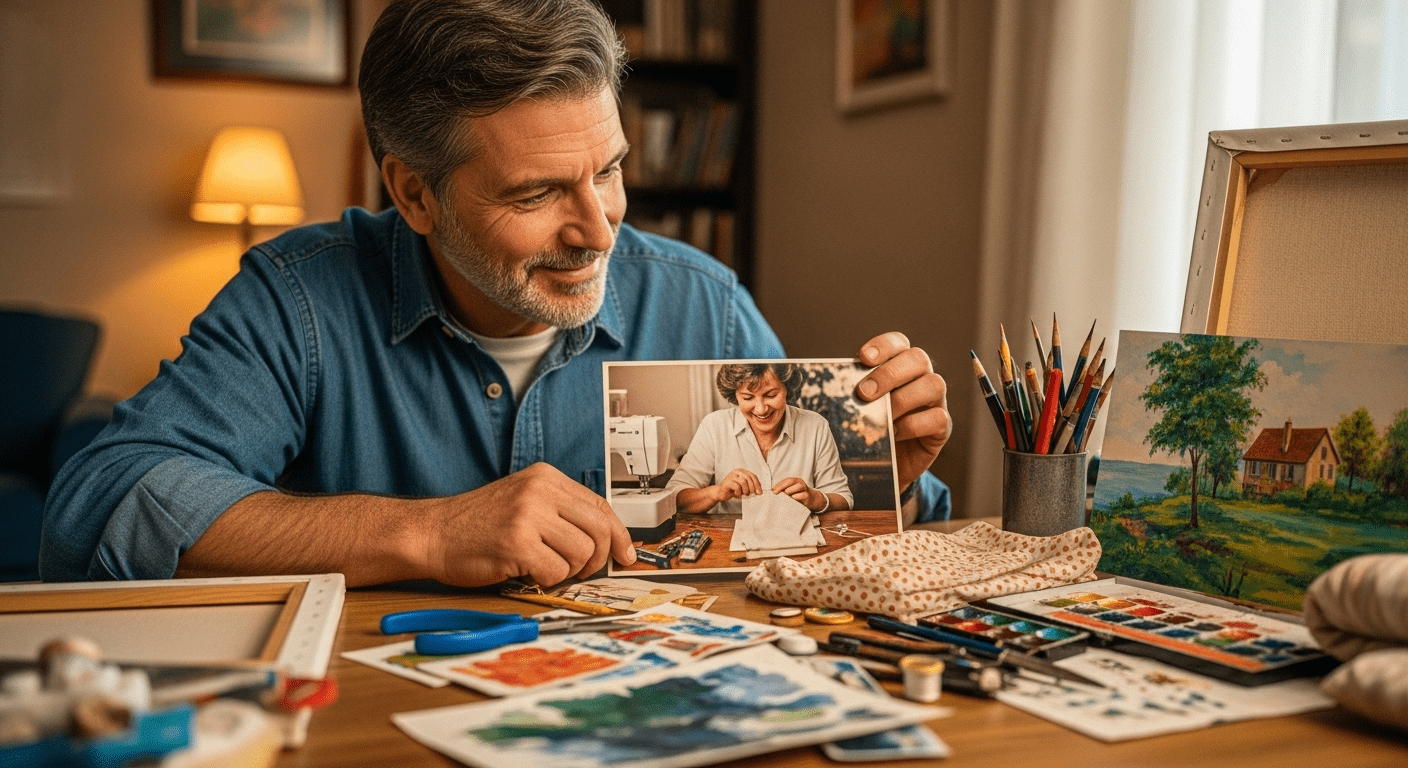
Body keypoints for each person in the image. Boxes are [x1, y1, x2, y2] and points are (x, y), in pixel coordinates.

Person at [41, 0, 951, 589]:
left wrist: (889, 484)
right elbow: (101, 503)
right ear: (413, 194)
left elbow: (847, 547)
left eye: (610, 171)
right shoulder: (298, 299)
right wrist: (425, 534)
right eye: (538, 193)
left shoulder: (701, 297)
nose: (600, 232)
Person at [669, 363, 853, 517]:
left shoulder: (815, 426)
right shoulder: (714, 426)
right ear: (735, 395)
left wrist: (815, 498)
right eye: (748, 397)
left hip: (799, 537)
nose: (761, 409)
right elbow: (673, 498)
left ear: (787, 390)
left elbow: (844, 499)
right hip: (730, 542)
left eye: (771, 395)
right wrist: (717, 492)